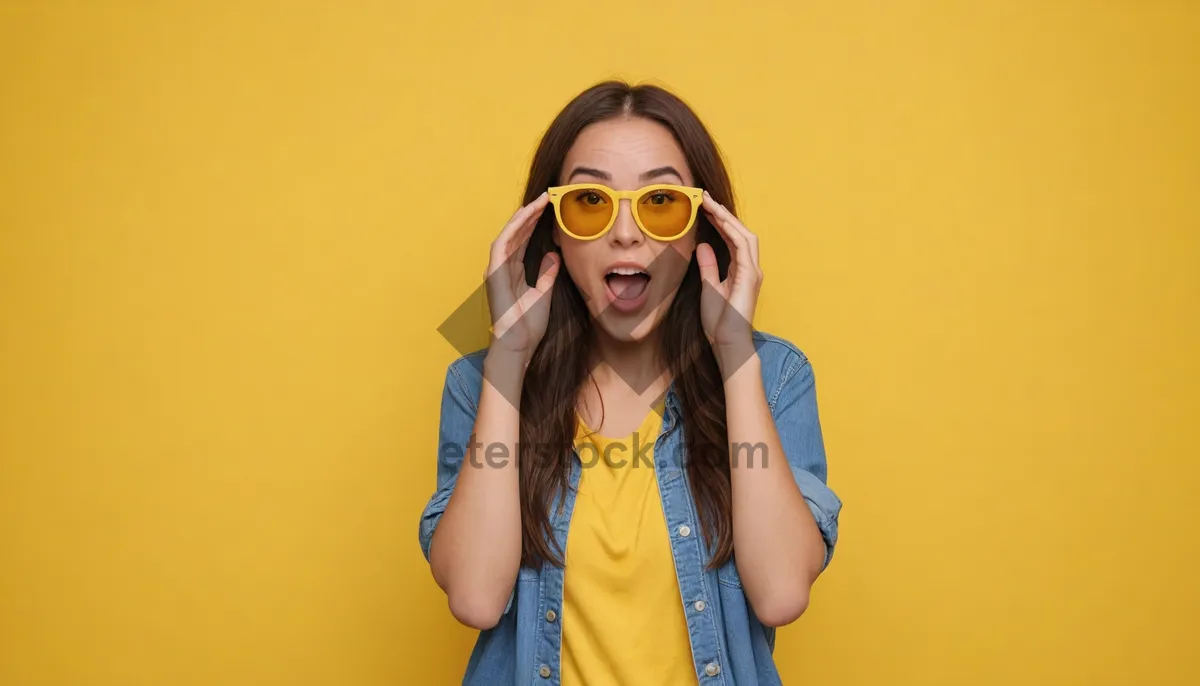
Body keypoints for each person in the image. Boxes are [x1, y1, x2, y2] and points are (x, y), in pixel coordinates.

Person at [418, 80, 842, 686]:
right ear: (553, 231)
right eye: (590, 201)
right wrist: (509, 357)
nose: (624, 232)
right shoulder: (479, 383)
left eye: (660, 201)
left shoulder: (774, 376)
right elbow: (475, 599)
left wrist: (734, 351)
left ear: (702, 229)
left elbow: (780, 596)